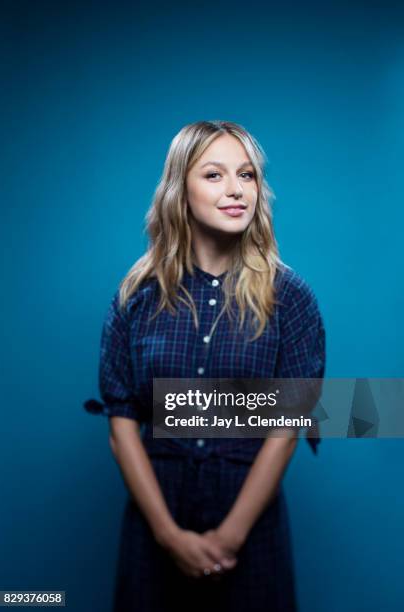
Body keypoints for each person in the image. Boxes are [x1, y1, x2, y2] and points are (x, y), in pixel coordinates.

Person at [84, 120, 326, 611]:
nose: (236, 190)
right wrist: (169, 536)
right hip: (157, 513)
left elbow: (288, 425)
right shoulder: (137, 296)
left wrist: (229, 537)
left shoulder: (291, 299)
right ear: (180, 189)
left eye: (248, 175)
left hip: (249, 520)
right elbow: (122, 421)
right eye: (214, 175)